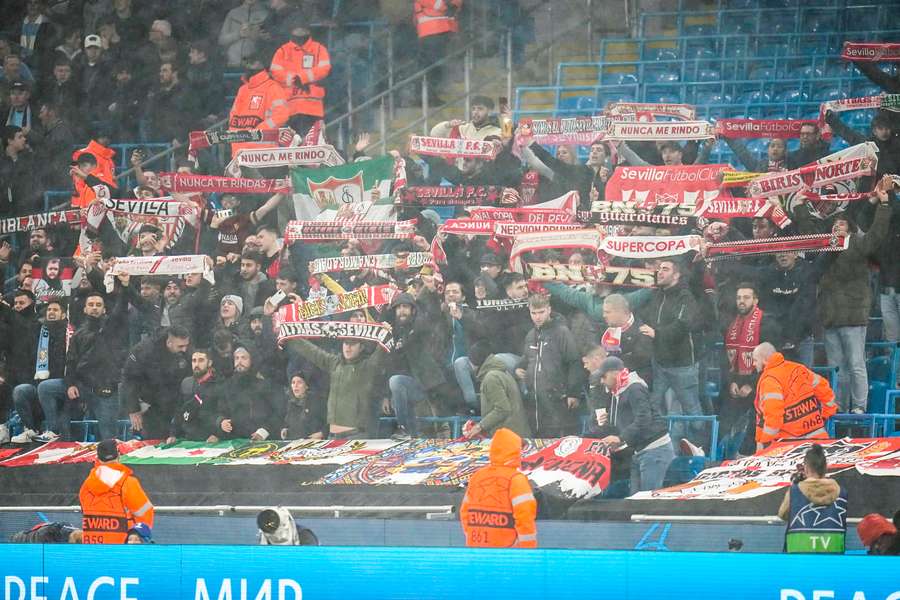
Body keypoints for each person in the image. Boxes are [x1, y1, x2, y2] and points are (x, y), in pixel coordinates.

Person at [797, 179, 892, 412]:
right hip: (830, 316)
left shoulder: (859, 244)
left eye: (841, 224)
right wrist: (799, 205)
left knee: (856, 364)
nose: (836, 227)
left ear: (849, 228)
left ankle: (859, 407)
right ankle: (838, 406)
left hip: (853, 316)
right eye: (834, 225)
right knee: (836, 367)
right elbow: (809, 232)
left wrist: (884, 204)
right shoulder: (826, 247)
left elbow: (878, 234)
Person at [639, 259, 704, 451]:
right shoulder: (656, 295)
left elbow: (683, 326)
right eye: (658, 269)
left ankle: (699, 448)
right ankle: (660, 447)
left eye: (665, 269)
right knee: (653, 406)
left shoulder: (686, 297)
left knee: (692, 410)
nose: (659, 272)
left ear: (676, 275)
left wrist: (657, 334)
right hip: (659, 364)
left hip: (683, 365)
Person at [594, 356, 674, 493]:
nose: (601, 381)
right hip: (639, 450)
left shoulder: (635, 388)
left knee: (647, 501)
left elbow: (644, 419)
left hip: (655, 450)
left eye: (603, 376)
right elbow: (627, 422)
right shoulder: (618, 391)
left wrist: (620, 438)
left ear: (614, 373)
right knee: (635, 501)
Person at [284, 334, 388, 439]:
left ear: (361, 347)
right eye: (346, 343)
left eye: (352, 344)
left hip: (355, 436)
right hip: (332, 436)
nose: (348, 347)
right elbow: (313, 352)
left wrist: (385, 333)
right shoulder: (334, 363)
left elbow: (381, 351)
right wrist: (289, 336)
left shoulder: (367, 367)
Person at [720, 284, 780, 455]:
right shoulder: (731, 323)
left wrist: (752, 386)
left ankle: (747, 455)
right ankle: (722, 455)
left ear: (755, 300)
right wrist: (731, 382)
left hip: (758, 383)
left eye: (746, 297)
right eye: (739, 298)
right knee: (724, 417)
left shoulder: (766, 322)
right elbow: (725, 358)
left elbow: (771, 360)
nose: (741, 301)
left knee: (754, 421)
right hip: (735, 383)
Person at [65, 286, 130, 441]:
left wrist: (125, 285)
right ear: (85, 309)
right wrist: (70, 384)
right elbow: (71, 361)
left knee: (108, 437)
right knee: (46, 388)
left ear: (105, 309)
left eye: (98, 305)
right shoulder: (78, 334)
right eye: (91, 305)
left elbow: (121, 308)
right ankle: (55, 434)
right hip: (83, 386)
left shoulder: (113, 328)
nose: (94, 308)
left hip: (107, 388)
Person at [515, 293, 583, 437]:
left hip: (558, 398)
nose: (537, 317)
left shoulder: (562, 332)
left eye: (541, 312)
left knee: (558, 439)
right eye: (534, 313)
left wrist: (574, 393)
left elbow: (574, 362)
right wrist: (518, 368)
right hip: (535, 400)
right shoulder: (530, 335)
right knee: (538, 440)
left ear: (549, 310)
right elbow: (527, 358)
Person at [460, 428, 537, 548]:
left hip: (476, 550)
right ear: (515, 451)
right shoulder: (515, 479)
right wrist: (527, 550)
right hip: (507, 555)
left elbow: (465, 512)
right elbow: (525, 517)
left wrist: (471, 537)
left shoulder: (478, 476)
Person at [752, 343, 837, 450]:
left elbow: (773, 419)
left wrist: (764, 443)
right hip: (818, 441)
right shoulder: (798, 368)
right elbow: (825, 390)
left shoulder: (769, 380)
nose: (753, 364)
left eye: (755, 360)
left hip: (789, 446)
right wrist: (826, 414)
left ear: (764, 360)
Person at [121, 325, 192, 439]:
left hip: (177, 401)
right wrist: (133, 409)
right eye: (181, 346)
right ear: (169, 343)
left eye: (186, 345)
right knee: (155, 440)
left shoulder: (184, 349)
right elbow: (129, 378)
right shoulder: (144, 351)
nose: (184, 349)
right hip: (152, 403)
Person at [79, 439, 154, 545]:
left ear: (98, 459)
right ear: (118, 455)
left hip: (92, 548)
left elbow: (84, 511)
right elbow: (145, 513)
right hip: (121, 549)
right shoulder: (127, 482)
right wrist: (140, 538)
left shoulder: (86, 485)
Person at [778, 443, 847, 554]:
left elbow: (783, 515)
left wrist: (795, 485)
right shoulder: (841, 491)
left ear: (806, 468)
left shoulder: (795, 490)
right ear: (825, 467)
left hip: (799, 552)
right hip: (832, 552)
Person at [269, 25, 331, 135]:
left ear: (308, 30)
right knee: (291, 145)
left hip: (312, 107)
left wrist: (302, 78)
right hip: (289, 107)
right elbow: (275, 72)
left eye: (303, 27)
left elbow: (324, 69)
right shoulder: (282, 51)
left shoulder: (319, 49)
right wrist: (295, 79)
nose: (300, 30)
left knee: (313, 143)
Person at [464, 343, 532, 439]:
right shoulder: (502, 372)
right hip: (516, 434)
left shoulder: (491, 378)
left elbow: (502, 409)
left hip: (508, 438)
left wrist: (480, 426)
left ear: (474, 362)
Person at [227, 55, 290, 157]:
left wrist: (259, 131)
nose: (247, 66)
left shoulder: (273, 88)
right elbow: (233, 118)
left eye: (251, 62)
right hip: (239, 153)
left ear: (261, 64)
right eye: (246, 62)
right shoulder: (243, 89)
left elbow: (282, 115)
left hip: (263, 155)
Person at [216, 347, 280, 441]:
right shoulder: (228, 385)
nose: (239, 361)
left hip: (264, 440)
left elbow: (278, 413)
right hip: (235, 441)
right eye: (236, 358)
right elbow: (220, 410)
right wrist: (221, 421)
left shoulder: (265, 385)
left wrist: (264, 431)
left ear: (252, 360)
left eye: (243, 358)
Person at [166, 349, 222, 443]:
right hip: (188, 439)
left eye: (201, 360)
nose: (196, 364)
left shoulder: (219, 384)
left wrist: (218, 435)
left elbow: (224, 412)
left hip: (211, 439)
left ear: (209, 363)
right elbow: (179, 411)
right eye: (194, 361)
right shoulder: (186, 383)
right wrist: (173, 434)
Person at [414, 0, 462, 105]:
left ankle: (429, 96)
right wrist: (449, 4)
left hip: (444, 29)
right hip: (431, 31)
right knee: (432, 66)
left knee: (435, 66)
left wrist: (454, 4)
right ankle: (427, 97)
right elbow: (437, 4)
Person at [600, 293, 653, 383]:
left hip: (635, 385)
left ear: (621, 312)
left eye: (607, 312)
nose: (604, 315)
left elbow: (639, 362)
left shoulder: (643, 332)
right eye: (604, 312)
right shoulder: (608, 328)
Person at [219, 0, 269, 68]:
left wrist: (255, 35)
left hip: (254, 65)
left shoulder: (265, 14)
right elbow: (222, 40)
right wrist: (239, 34)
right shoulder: (233, 13)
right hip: (233, 63)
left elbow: (269, 41)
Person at [431, 96, 501, 141]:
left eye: (480, 109)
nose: (475, 112)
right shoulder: (462, 128)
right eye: (473, 109)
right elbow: (434, 135)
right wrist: (448, 125)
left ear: (490, 111)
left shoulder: (497, 131)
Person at [281, 372, 325, 440]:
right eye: (293, 382)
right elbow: (286, 423)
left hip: (312, 444)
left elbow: (329, 423)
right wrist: (284, 429)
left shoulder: (317, 401)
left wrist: (322, 433)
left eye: (299, 382)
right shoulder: (290, 403)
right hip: (293, 444)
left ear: (306, 386)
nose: (295, 385)